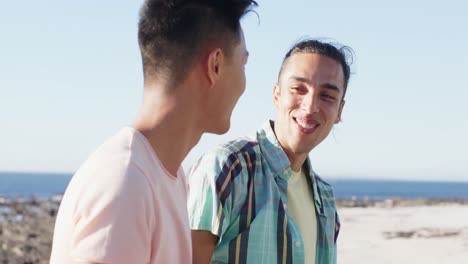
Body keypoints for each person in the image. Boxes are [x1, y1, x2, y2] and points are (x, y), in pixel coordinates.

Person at [50, 0, 257, 263]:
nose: (244, 83)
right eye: (244, 65)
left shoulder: (169, 176)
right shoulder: (126, 182)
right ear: (215, 65)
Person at [187, 39, 354, 264]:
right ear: (277, 95)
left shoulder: (324, 199)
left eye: (327, 96)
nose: (310, 106)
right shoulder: (228, 169)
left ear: (339, 111)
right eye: (298, 89)